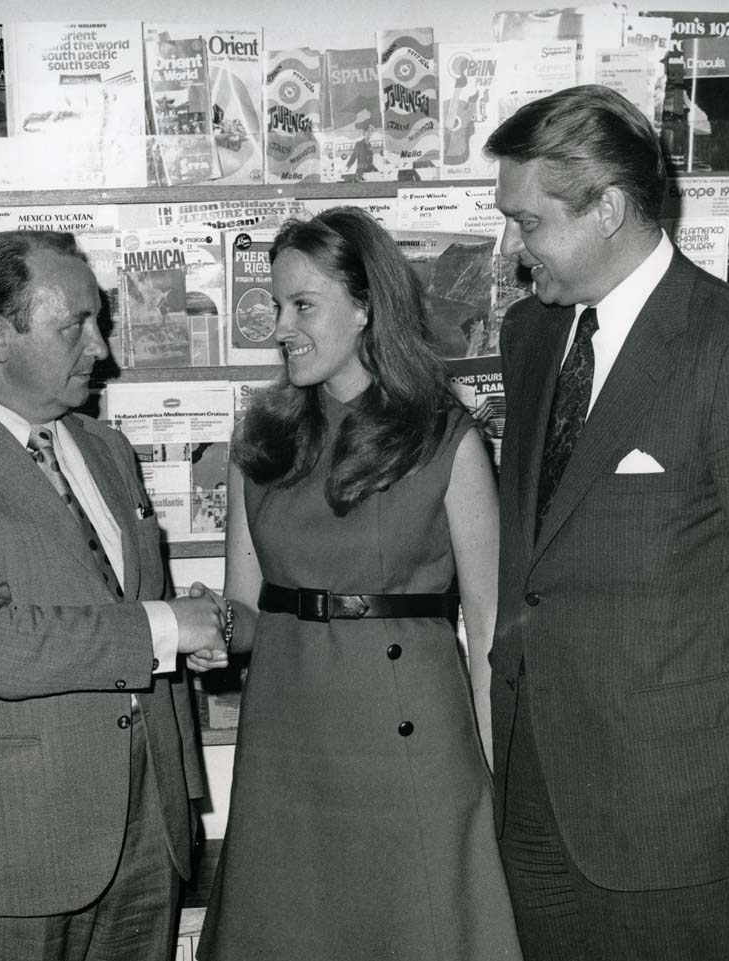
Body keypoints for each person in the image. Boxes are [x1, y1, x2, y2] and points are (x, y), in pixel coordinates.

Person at [486, 84, 729, 961]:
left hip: (679, 803)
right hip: (536, 788)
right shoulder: (530, 335)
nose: (514, 248)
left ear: (607, 208)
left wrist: (724, 728)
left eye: (527, 223)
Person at [197, 207, 520, 961]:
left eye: (301, 305)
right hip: (288, 739)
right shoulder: (261, 439)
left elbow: (490, 635)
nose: (280, 326)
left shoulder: (447, 440)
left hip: (411, 740)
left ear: (367, 303)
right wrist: (208, 627)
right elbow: (245, 611)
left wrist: (502, 778)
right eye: (276, 306)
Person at [0, 229, 228, 961]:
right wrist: (167, 628)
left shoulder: (105, 448)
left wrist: (192, 644)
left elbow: (128, 601)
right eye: (75, 325)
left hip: (149, 833)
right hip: (16, 850)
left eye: (99, 321)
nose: (101, 348)